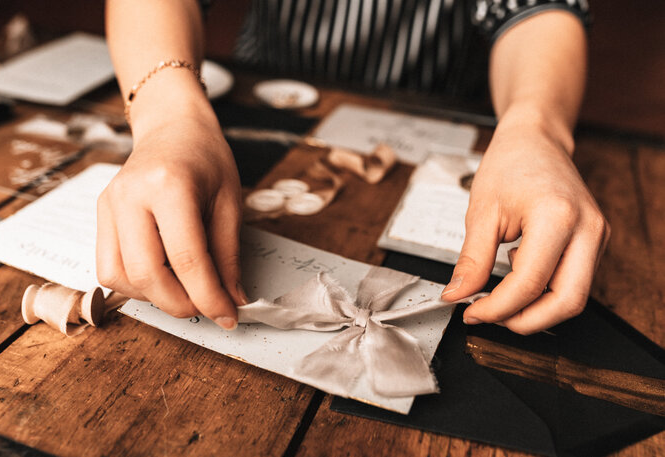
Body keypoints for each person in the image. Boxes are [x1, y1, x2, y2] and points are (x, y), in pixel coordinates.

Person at [97, 0, 609, 335]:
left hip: (439, 111)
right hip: (262, 100)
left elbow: (538, 9)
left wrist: (534, 128)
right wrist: (168, 117)